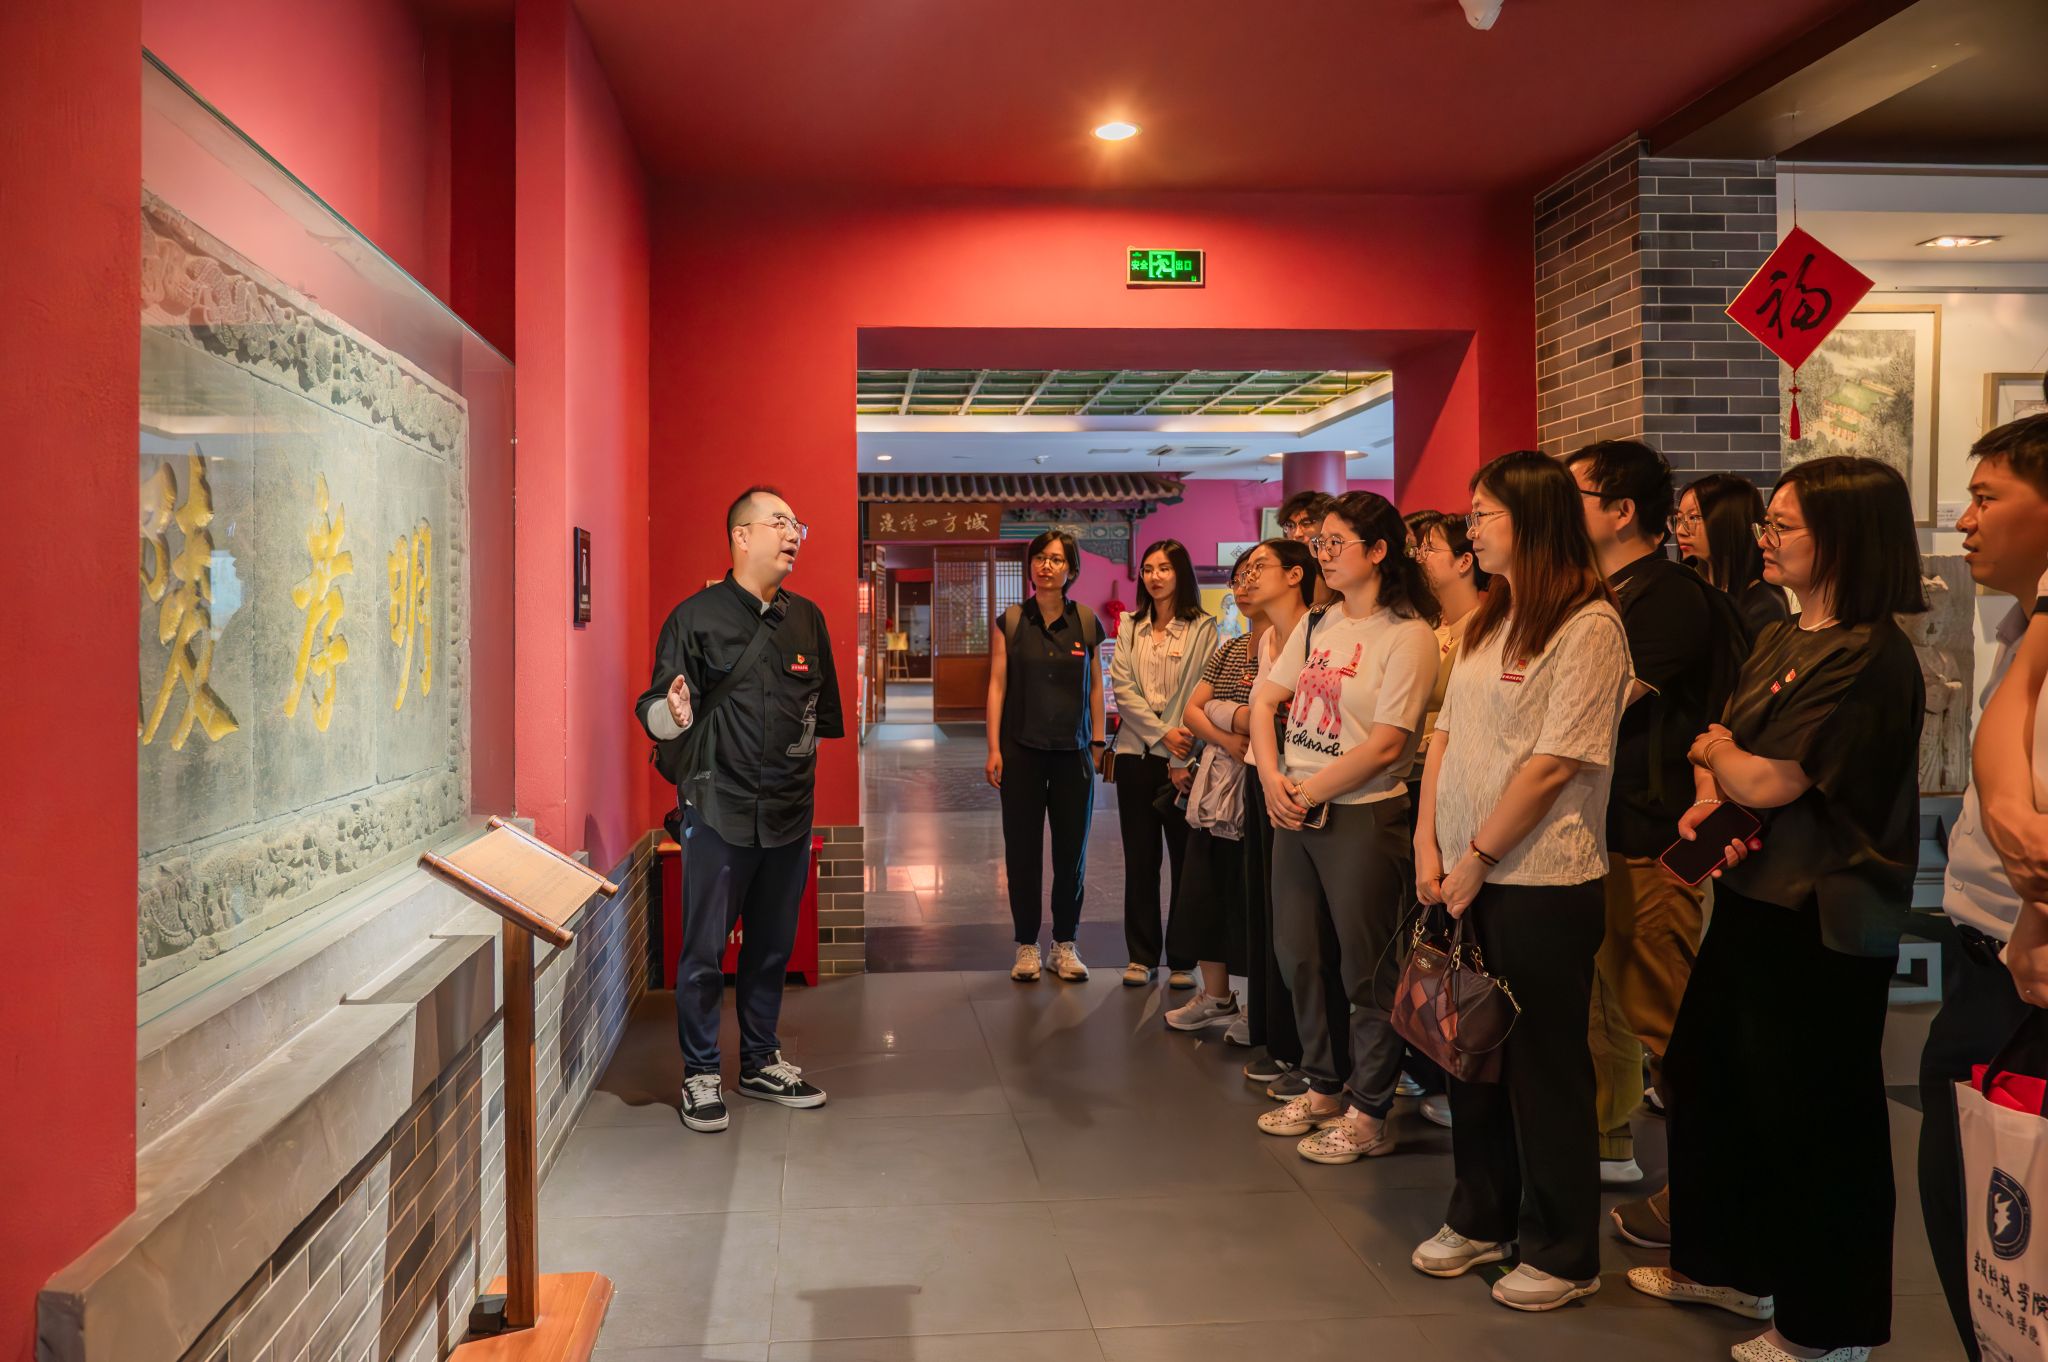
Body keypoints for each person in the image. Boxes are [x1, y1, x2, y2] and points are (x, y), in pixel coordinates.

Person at [1630, 456, 1926, 1362]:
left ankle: (1826, 1327)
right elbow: (1722, 743)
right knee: (1710, 1074)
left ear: (1844, 537)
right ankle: (1729, 1263)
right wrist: (1710, 782)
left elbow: (1766, 775)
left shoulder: (1868, 653)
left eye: (1783, 525)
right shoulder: (1789, 633)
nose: (1764, 538)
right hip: (1754, 891)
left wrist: (1721, 761)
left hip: (1826, 912)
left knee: (1817, 1115)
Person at [1408, 450, 1631, 1312]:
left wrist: (1478, 858)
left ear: (1531, 519)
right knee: (1469, 1055)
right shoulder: (1489, 616)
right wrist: (1429, 844)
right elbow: (1446, 735)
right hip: (1463, 875)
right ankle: (1481, 1215)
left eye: (1483, 514)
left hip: (1541, 879)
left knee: (1544, 1070)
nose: (1470, 528)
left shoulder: (1589, 625)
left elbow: (1554, 764)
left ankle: (1564, 1251)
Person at [637, 487, 843, 1133]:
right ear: (741, 536)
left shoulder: (808, 620)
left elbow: (818, 719)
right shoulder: (694, 618)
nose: (793, 533)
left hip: (788, 813)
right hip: (717, 808)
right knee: (704, 951)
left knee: (772, 948)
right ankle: (700, 1071)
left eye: (797, 524)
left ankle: (759, 1060)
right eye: (779, 522)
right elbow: (654, 709)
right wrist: (671, 714)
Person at [1249, 492, 1440, 1165]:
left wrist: (1305, 790)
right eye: (1319, 543)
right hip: (1295, 807)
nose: (1323, 555)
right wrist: (1273, 780)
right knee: (1298, 955)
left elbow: (1389, 744)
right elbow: (1265, 700)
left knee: (1368, 970)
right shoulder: (1318, 623)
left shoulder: (1408, 635)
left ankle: (1370, 1111)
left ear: (1379, 551)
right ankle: (1323, 1086)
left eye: (1336, 543)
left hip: (1362, 813)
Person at [1919, 414, 2048, 1362]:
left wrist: (2037, 912)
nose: (1964, 521)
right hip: (1985, 967)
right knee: (1983, 1256)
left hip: (2027, 985)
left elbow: (2020, 830)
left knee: (2014, 1262)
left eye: (1986, 498)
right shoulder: (2017, 629)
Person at [1564, 439, 1717, 1191]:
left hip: (1654, 838)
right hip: (1603, 833)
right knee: (1606, 1007)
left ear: (1623, 511)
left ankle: (1712, 1200)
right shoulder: (1601, 591)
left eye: (1575, 498)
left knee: (1667, 1020)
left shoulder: (1666, 595)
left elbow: (1594, 707)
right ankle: (1608, 1144)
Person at [1228, 539, 1349, 1101]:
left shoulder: (1321, 629)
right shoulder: (1273, 638)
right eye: (1244, 570)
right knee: (1281, 925)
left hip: (1314, 788)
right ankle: (1288, 1045)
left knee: (1318, 935)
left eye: (1259, 567)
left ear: (1296, 574)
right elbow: (1257, 707)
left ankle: (1325, 1063)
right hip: (1268, 779)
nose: (1247, 578)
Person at [1400, 508, 1493, 1130]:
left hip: (1455, 795)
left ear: (1465, 560)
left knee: (1454, 941)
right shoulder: (1428, 626)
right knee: (1421, 935)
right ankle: (1426, 1054)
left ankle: (1455, 1062)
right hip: (1415, 781)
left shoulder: (1482, 626)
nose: (1417, 557)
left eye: (1428, 547)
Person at [987, 529, 1106, 984]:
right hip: (1021, 752)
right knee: (1022, 852)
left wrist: (1098, 742)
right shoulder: (1012, 620)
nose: (1046, 565)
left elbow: (1096, 686)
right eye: (1040, 557)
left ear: (1071, 569)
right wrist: (994, 747)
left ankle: (1064, 944)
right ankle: (1026, 945)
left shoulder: (1087, 621)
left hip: (1074, 753)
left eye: (1056, 559)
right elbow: (997, 685)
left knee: (1071, 853)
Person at [1163, 543, 1265, 1035]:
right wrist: (1230, 735)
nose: (1243, 587)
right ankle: (1217, 995)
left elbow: (1268, 716)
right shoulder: (1230, 649)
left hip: (1264, 789)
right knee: (1203, 891)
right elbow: (1192, 710)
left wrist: (1225, 716)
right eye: (1238, 578)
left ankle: (1261, 1006)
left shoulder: (1296, 647)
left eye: (1254, 575)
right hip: (1218, 786)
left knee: (1254, 898)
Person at [1110, 539, 1219, 988]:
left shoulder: (1203, 627)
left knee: (1184, 861)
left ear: (1181, 574)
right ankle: (1141, 956)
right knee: (1140, 860)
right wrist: (1161, 734)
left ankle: (1182, 960)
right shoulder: (1130, 625)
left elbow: (1197, 687)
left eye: (1164, 568)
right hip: (1135, 755)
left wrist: (1178, 751)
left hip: (1184, 760)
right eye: (1148, 569)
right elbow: (1123, 687)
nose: (1154, 576)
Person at [1673, 473, 1790, 636]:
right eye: (1679, 519)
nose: (1680, 531)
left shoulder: (1763, 606)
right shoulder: (1697, 591)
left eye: (1693, 518)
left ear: (1730, 521)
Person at [1279, 490, 1339, 607]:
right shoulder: (1284, 565)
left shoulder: (1336, 561)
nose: (1297, 534)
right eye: (1290, 525)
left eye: (1306, 523)